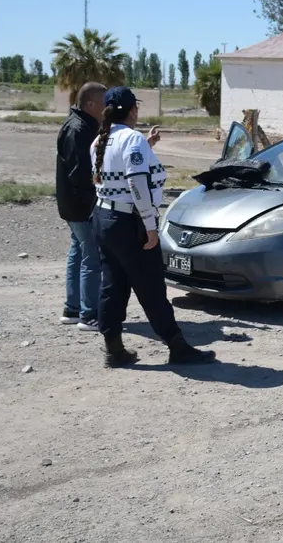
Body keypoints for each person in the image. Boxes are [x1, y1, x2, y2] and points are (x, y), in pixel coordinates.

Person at [91, 86, 215, 367]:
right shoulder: (132, 139)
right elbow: (136, 184)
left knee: (112, 285)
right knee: (150, 287)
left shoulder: (100, 140)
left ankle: (114, 349)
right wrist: (149, 225)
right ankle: (177, 346)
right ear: (133, 109)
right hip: (128, 222)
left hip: (103, 218)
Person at [56, 82, 106, 330]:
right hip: (81, 205)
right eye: (104, 102)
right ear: (90, 104)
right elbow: (81, 173)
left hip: (73, 204)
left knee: (78, 253)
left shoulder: (81, 125)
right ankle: (89, 314)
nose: (107, 108)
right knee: (92, 258)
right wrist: (94, 203)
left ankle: (73, 309)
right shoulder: (79, 129)